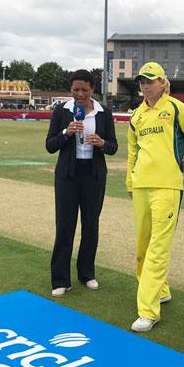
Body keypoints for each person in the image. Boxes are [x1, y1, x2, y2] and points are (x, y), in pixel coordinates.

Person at [126, 62, 184, 332]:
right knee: (143, 248)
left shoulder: (177, 108)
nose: (145, 85)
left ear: (163, 82)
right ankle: (161, 290)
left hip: (167, 187)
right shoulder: (136, 116)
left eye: (150, 80)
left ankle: (148, 311)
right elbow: (132, 153)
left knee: (158, 249)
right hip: (141, 186)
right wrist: (130, 181)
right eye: (142, 81)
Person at [45, 69, 118, 297]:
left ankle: (87, 273)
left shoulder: (103, 112)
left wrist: (101, 142)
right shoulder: (62, 111)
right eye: (75, 89)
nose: (79, 94)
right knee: (65, 227)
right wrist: (66, 132)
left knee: (90, 226)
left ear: (92, 90)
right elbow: (50, 145)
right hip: (68, 176)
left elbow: (113, 147)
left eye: (84, 90)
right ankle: (60, 279)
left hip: (93, 176)